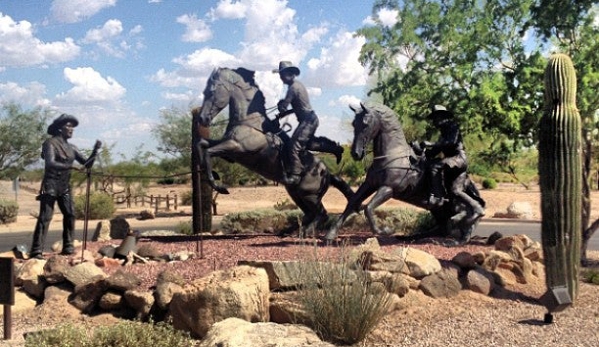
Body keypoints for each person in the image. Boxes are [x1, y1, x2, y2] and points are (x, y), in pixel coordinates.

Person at [29, 114, 101, 259]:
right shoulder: (49, 143)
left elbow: (87, 165)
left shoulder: (72, 148)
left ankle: (68, 247)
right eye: (68, 126)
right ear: (59, 128)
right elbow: (50, 163)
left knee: (70, 214)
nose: (71, 129)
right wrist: (70, 167)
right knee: (45, 217)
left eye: (72, 127)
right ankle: (36, 251)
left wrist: (94, 150)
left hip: (64, 186)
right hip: (50, 185)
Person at [273, 61, 342, 185]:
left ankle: (296, 174)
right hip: (310, 119)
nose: (281, 77)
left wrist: (281, 106)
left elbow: (284, 106)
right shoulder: (297, 86)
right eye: (280, 75)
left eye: (282, 75)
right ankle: (335, 149)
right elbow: (296, 108)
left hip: (308, 121)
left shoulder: (293, 88)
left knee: (293, 146)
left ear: (289, 74)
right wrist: (281, 114)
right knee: (309, 144)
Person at [423, 105, 484, 217]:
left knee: (435, 166)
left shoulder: (453, 127)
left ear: (443, 117)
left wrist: (430, 144)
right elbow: (435, 151)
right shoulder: (443, 133)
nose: (434, 121)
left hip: (458, 159)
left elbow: (451, 142)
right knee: (455, 191)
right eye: (434, 119)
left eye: (436, 118)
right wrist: (420, 151)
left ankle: (438, 197)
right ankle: (477, 208)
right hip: (451, 161)